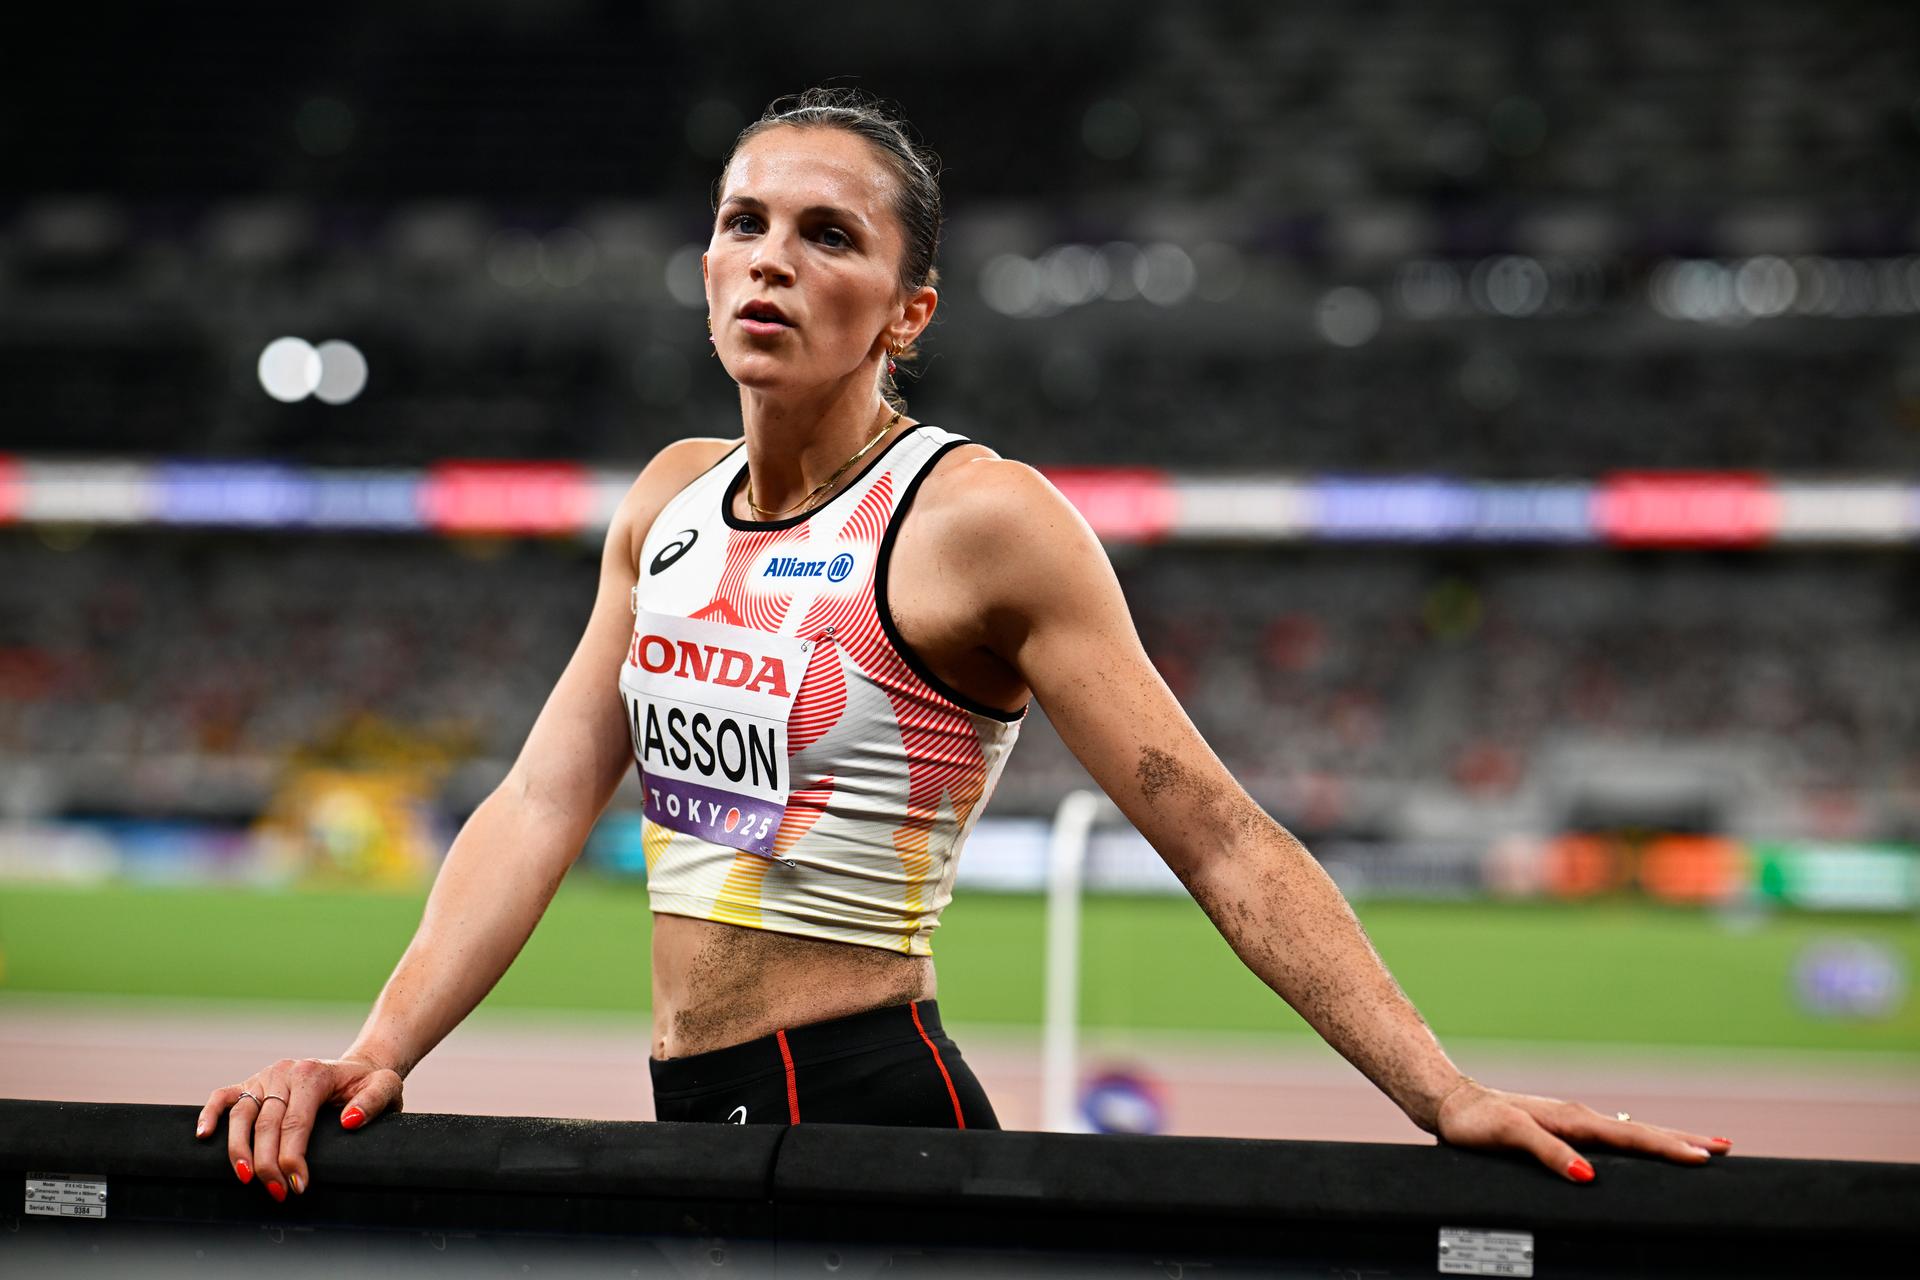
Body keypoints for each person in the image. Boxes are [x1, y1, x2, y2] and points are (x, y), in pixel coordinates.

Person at [196, 87, 1732, 1200]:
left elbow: (1214, 833)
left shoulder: (979, 521)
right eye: (742, 224)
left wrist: (1440, 1091)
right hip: (693, 1108)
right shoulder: (665, 500)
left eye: (828, 235)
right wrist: (378, 1050)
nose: (771, 259)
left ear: (907, 312)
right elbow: (541, 800)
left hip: (870, 1113)